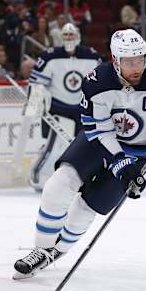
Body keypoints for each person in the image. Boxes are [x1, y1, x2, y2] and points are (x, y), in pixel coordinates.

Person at [13, 29, 146, 279]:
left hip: (139, 151)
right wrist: (118, 161)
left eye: (140, 60)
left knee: (87, 206)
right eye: (128, 62)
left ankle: (58, 251)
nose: (136, 68)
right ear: (115, 61)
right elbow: (98, 129)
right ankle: (41, 249)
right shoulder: (97, 81)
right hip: (97, 141)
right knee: (58, 185)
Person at [25, 23, 102, 192]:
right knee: (52, 146)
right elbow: (36, 83)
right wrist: (37, 103)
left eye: (71, 35)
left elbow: (101, 82)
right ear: (61, 37)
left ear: (78, 36)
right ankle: (37, 174)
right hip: (57, 109)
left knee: (84, 146)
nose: (69, 38)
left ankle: (84, 177)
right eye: (65, 35)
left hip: (82, 109)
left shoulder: (91, 56)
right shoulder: (49, 56)